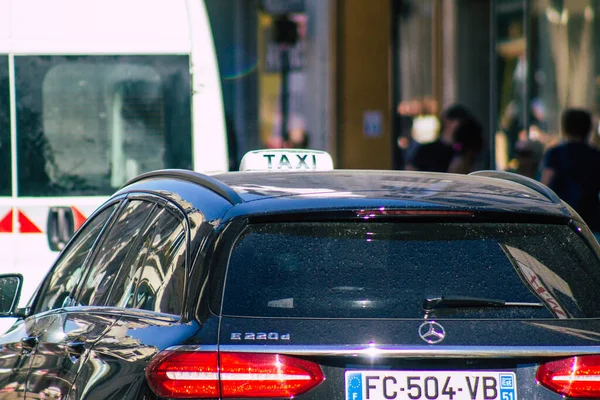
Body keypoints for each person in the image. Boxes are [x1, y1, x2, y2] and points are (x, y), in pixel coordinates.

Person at [541, 108, 600, 233]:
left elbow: (545, 185)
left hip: (562, 217)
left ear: (565, 128)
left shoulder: (555, 153)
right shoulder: (595, 155)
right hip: (591, 219)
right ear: (588, 129)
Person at [406, 104, 471, 172]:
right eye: (458, 122)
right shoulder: (426, 150)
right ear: (446, 121)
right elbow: (411, 170)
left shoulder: (462, 150)